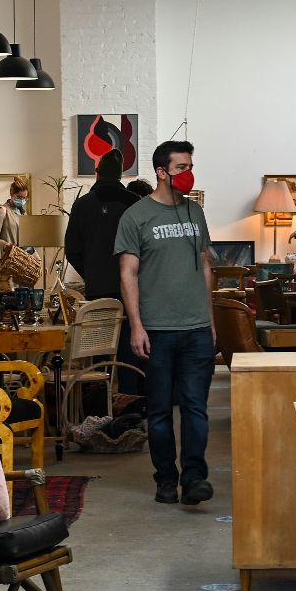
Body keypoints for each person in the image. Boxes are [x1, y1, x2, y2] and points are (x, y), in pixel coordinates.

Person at [116, 140, 216, 505]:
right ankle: (166, 479)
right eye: (181, 168)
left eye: (190, 167)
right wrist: (136, 325)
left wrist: (210, 320)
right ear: (161, 172)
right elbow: (127, 274)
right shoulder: (136, 216)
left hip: (196, 329)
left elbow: (204, 265)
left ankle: (194, 478)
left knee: (195, 407)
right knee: (159, 411)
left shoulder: (195, 212)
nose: (188, 174)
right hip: (156, 330)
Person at [65, 152, 144, 394]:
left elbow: (72, 250)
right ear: (120, 174)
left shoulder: (82, 205)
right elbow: (148, 248)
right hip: (133, 290)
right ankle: (131, 403)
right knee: (131, 349)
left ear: (97, 172)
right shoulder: (135, 203)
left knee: (98, 350)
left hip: (98, 291)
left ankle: (99, 404)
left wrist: (91, 273)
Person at [0, 177, 29, 257]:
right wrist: (6, 245)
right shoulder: (1, 211)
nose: (22, 200)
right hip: (5, 259)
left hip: (20, 260)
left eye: (24, 198)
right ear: (12, 194)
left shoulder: (23, 213)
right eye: (19, 197)